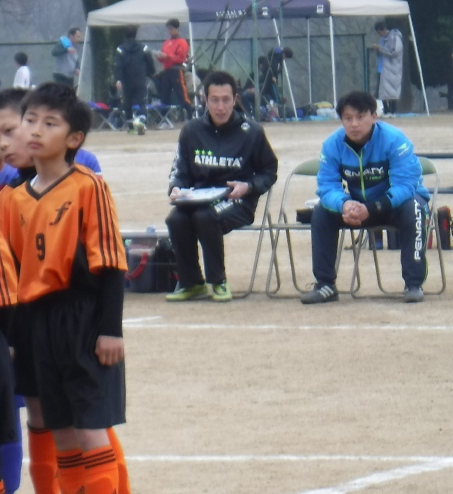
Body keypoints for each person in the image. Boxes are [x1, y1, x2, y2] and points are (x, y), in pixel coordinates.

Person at [0, 88, 146, 494]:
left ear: (74, 138)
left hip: (81, 317)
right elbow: (8, 275)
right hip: (35, 323)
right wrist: (11, 337)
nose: (35, 130)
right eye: (30, 120)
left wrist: (110, 329)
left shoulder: (88, 187)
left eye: (49, 123)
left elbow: (111, 265)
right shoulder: (10, 200)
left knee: (91, 425)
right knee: (60, 430)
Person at [301, 90, 430, 304]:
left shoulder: (395, 140)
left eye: (360, 117)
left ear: (374, 116)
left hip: (395, 205)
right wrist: (344, 205)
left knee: (414, 207)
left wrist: (372, 207)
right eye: (348, 118)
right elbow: (326, 187)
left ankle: (413, 284)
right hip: (358, 208)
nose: (354, 124)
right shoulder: (332, 145)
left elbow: (406, 186)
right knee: (322, 212)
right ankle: (325, 285)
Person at [164, 71, 279, 302]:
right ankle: (191, 283)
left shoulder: (252, 132)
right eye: (214, 100)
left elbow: (269, 171)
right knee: (175, 219)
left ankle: (218, 281)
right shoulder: (191, 130)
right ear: (205, 100)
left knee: (205, 217)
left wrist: (248, 186)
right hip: (197, 199)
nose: (220, 107)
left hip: (237, 200)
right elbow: (179, 170)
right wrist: (176, 188)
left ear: (235, 99)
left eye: (226, 100)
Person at [113, 25, 155, 134]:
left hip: (126, 81)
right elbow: (150, 61)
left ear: (125, 35)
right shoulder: (143, 47)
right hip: (140, 79)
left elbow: (118, 65)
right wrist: (150, 72)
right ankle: (141, 122)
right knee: (142, 102)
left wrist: (118, 79)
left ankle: (131, 127)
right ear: (135, 34)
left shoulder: (120, 49)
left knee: (127, 104)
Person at [155, 18, 192, 112]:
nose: (169, 31)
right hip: (167, 70)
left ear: (177, 29)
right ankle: (164, 116)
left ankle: (189, 113)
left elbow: (180, 58)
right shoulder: (166, 43)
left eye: (171, 29)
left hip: (176, 70)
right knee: (164, 95)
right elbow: (163, 58)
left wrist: (167, 56)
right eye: (168, 29)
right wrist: (159, 56)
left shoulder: (182, 42)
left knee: (181, 94)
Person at [372, 21, 404, 115]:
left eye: (379, 32)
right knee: (381, 91)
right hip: (382, 67)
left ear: (384, 30)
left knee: (392, 90)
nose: (379, 35)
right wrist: (378, 50)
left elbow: (394, 52)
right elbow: (382, 53)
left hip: (391, 69)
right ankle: (386, 109)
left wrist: (380, 48)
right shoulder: (382, 39)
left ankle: (393, 110)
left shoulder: (395, 38)